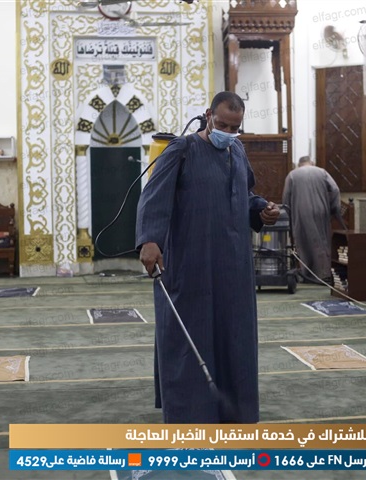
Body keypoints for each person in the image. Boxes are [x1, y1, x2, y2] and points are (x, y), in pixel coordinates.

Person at [135, 91, 280, 424]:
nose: (228, 132)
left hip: (233, 268)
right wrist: (150, 240)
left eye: (235, 128)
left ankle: (234, 412)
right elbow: (153, 197)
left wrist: (261, 210)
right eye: (223, 124)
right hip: (190, 265)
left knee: (234, 339)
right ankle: (190, 416)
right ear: (208, 115)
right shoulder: (181, 150)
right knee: (190, 339)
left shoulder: (237, 151)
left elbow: (243, 195)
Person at [282, 156, 341, 283]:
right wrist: (333, 208)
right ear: (312, 163)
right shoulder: (322, 172)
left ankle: (307, 274)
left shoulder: (292, 175)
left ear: (299, 164)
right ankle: (323, 274)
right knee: (322, 241)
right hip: (322, 210)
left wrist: (288, 215)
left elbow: (286, 198)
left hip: (301, 211)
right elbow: (335, 189)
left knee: (303, 242)